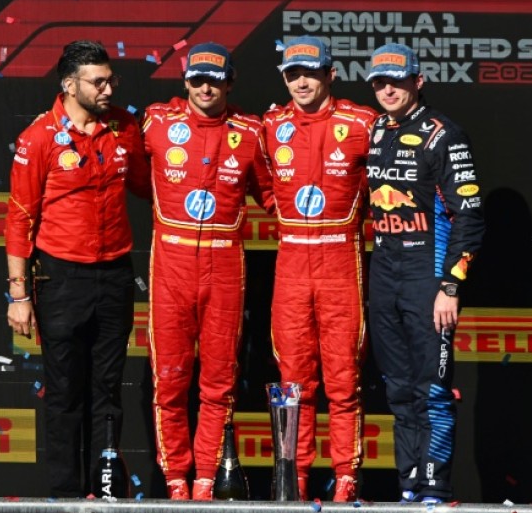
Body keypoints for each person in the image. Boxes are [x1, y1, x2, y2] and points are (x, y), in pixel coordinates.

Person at [5, 40, 149, 498]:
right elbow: (19, 218)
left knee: (107, 389)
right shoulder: (39, 138)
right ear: (69, 85)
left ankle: (105, 491)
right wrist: (19, 294)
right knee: (65, 391)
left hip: (115, 275)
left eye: (112, 80)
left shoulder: (125, 126)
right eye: (98, 81)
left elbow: (152, 185)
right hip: (60, 278)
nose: (108, 88)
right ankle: (65, 496)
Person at [141, 42, 275, 501]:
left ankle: (205, 484)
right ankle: (175, 481)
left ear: (230, 83)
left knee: (218, 383)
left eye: (214, 80)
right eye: (197, 79)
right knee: (170, 381)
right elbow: (127, 172)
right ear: (185, 83)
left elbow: (275, 196)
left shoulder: (251, 132)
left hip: (224, 268)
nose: (204, 87)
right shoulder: (157, 122)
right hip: (171, 267)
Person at [363, 43, 485, 504]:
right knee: (397, 391)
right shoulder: (374, 129)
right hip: (385, 272)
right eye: (379, 82)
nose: (388, 89)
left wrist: (450, 285)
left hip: (428, 275)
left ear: (418, 81)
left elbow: (470, 215)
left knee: (431, 390)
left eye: (397, 80)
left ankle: (435, 488)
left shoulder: (445, 135)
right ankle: (408, 489)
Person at [262, 35, 377, 502]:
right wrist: (280, 208)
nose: (301, 81)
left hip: (340, 262)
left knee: (344, 379)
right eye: (293, 74)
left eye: (310, 72)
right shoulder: (268, 125)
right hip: (291, 262)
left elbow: (386, 184)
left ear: (330, 74)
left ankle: (347, 479)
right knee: (293, 382)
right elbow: (258, 183)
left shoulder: (362, 122)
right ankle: (295, 479)